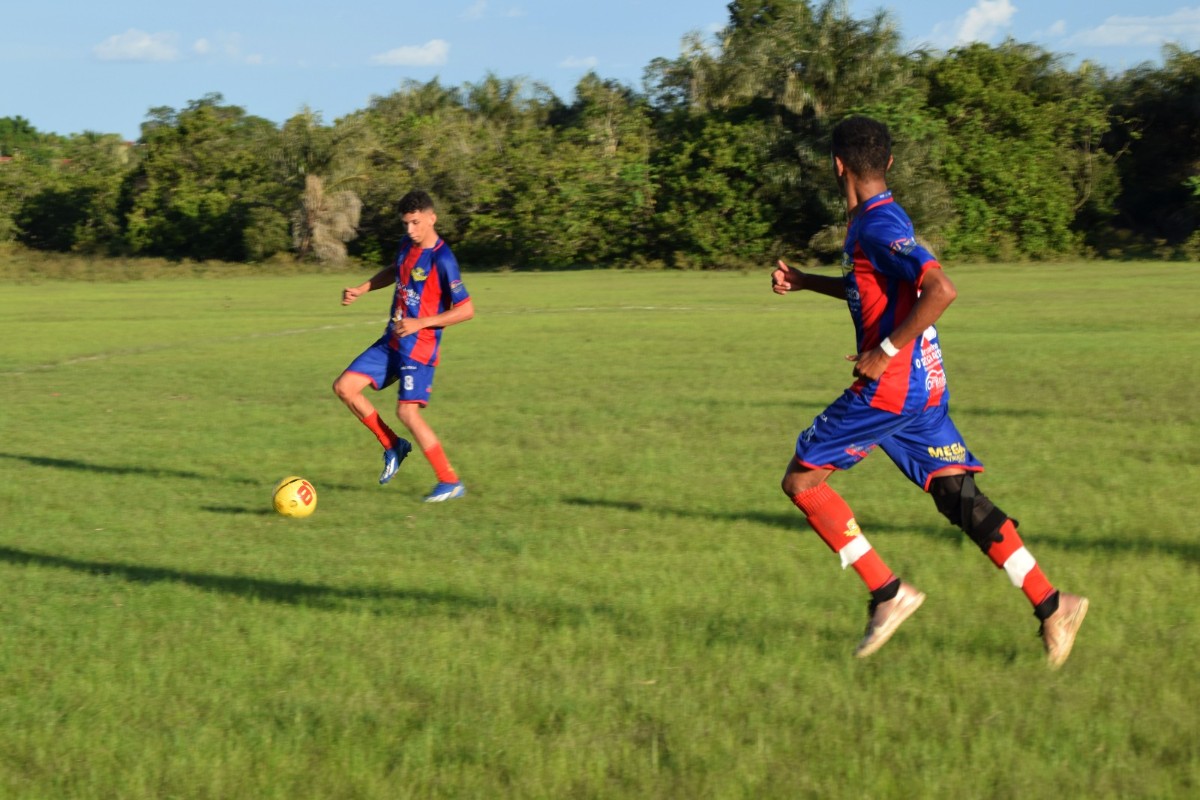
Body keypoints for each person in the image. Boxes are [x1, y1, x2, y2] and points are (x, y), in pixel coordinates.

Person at [771, 116, 1087, 668]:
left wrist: (884, 352)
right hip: (924, 384)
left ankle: (888, 593)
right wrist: (804, 281)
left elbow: (941, 289)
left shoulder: (876, 224)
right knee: (958, 498)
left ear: (836, 166)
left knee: (802, 479)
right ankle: (1053, 603)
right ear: (887, 164)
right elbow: (868, 287)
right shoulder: (878, 220)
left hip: (892, 387)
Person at [333, 189, 474, 502]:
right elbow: (394, 273)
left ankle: (450, 481)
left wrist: (420, 323)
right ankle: (393, 445)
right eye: (406, 224)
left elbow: (466, 309)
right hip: (392, 341)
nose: (410, 230)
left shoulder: (442, 258)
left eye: (415, 223)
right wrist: (362, 289)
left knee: (407, 413)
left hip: (419, 348)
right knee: (344, 387)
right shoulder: (406, 246)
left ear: (431, 218)